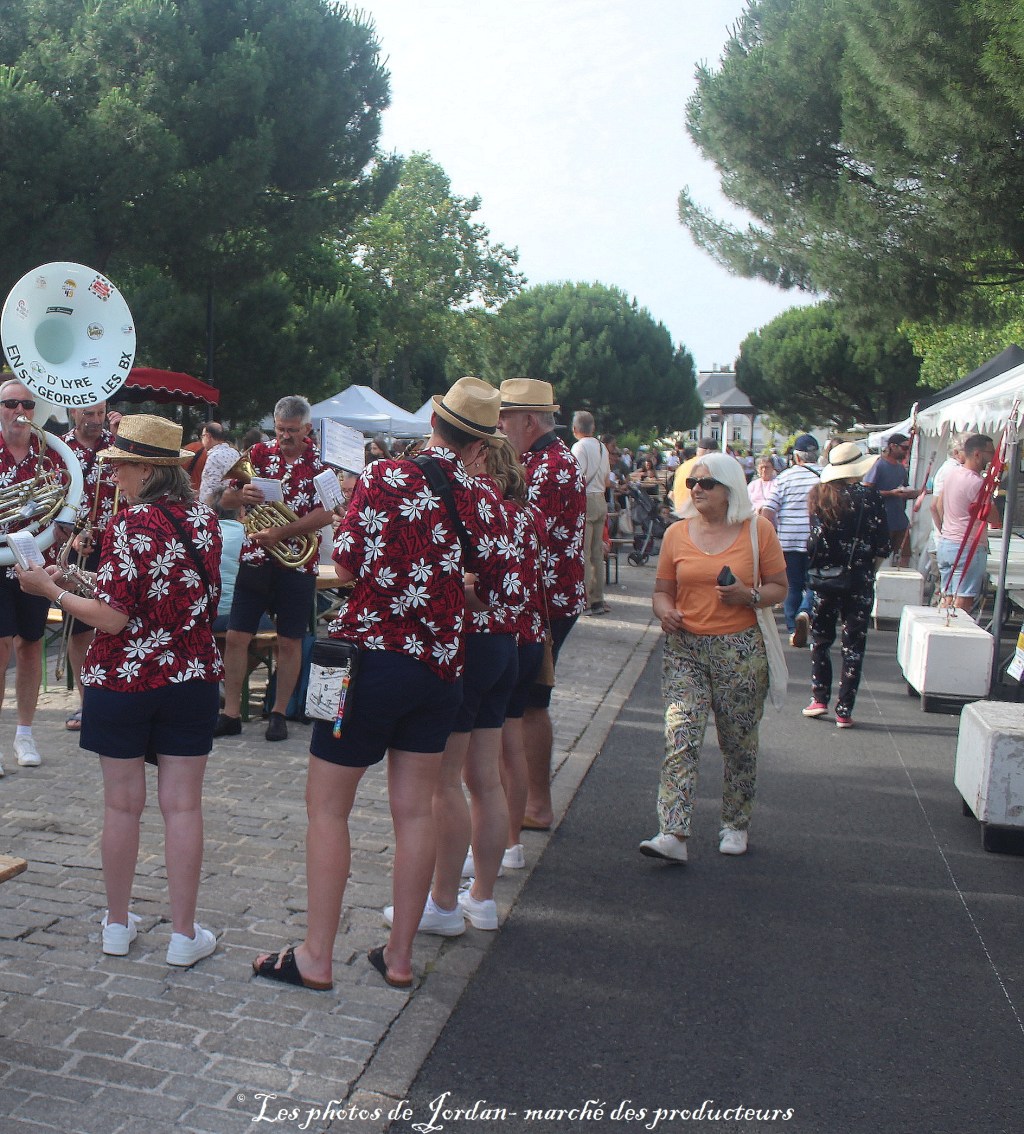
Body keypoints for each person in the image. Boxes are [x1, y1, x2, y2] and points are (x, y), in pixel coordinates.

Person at [251, 377, 515, 990]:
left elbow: (345, 562)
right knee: (416, 812)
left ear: (435, 425)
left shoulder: (386, 475)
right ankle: (398, 958)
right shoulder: (490, 499)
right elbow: (491, 584)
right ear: (480, 445)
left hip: (371, 662)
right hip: (441, 667)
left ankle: (316, 956)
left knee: (328, 810)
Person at [17, 414, 223, 965]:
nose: (114, 476)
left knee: (121, 807)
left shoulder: (130, 524)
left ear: (146, 469)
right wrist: (75, 581)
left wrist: (47, 590)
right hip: (189, 674)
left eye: (122, 466)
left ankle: (115, 924)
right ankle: (183, 934)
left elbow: (111, 619)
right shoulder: (203, 521)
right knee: (182, 808)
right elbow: (154, 596)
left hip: (125, 680)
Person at [403, 436, 531, 937]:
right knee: (485, 779)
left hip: (471, 642)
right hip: (508, 643)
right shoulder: (520, 514)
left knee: (445, 783)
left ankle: (442, 902)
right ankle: (480, 896)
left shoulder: (473, 505)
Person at [640, 453, 787, 862]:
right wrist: (663, 610)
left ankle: (735, 823)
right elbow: (662, 590)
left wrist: (748, 596)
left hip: (739, 649)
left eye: (706, 483)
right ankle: (673, 832)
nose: (697, 490)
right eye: (692, 484)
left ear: (729, 489)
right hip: (685, 647)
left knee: (738, 743)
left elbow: (779, 587)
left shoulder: (758, 530)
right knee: (680, 736)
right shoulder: (676, 534)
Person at [213, 395, 332, 742]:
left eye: (292, 431)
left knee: (290, 641)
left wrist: (281, 532)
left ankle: (278, 712)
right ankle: (230, 713)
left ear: (307, 428)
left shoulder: (321, 464)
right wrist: (242, 497)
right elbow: (226, 498)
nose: (285, 437)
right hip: (254, 560)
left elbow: (326, 513)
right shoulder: (259, 455)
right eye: (280, 429)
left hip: (295, 564)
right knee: (236, 637)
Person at [497, 378, 586, 832]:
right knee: (529, 701)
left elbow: (529, 534)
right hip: (544, 598)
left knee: (528, 702)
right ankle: (531, 802)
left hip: (544, 603)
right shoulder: (541, 459)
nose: (497, 425)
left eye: (504, 417)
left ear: (528, 421)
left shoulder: (549, 466)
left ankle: (535, 804)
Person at [0, 379, 65, 772]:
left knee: (30, 645)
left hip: (36, 563)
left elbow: (65, 501)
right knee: (0, 644)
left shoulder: (50, 455)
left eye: (26, 403)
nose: (19, 410)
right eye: (10, 403)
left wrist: (64, 527)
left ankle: (24, 733)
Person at [802, 443, 890, 728]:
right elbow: (882, 543)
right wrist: (869, 567)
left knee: (821, 639)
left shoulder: (818, 495)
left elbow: (814, 539)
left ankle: (819, 698)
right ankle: (844, 709)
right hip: (859, 578)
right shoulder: (869, 497)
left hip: (825, 578)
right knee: (853, 645)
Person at [60, 401, 119, 733]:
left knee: (117, 621)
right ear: (73, 414)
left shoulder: (117, 447)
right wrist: (73, 537)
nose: (95, 420)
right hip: (76, 548)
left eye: (100, 414)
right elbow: (51, 500)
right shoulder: (58, 449)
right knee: (80, 628)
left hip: (117, 545)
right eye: (88, 414)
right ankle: (86, 702)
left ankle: (114, 694)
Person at [762, 433, 821, 649]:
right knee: (816, 583)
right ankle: (806, 611)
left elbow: (767, 511)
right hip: (818, 540)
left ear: (796, 457)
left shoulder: (784, 478)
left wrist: (769, 538)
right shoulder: (827, 477)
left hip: (788, 540)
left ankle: (793, 629)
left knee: (792, 585)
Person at [931, 434, 996, 610]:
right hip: (966, 546)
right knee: (963, 599)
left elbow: (937, 505)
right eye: (991, 453)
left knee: (948, 595)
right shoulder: (976, 483)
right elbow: (994, 519)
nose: (993, 458)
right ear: (977, 454)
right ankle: (952, 633)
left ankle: (943, 634)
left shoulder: (951, 474)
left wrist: (945, 528)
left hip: (947, 543)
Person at [570, 410, 611, 616]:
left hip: (585, 499)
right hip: (601, 498)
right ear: (592, 428)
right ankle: (598, 599)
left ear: (575, 429)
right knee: (597, 553)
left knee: (583, 553)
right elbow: (606, 478)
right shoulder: (602, 447)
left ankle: (583, 598)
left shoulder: (579, 447)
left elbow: (577, 478)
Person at [863, 433, 924, 567]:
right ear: (892, 446)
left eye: (908, 448)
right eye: (904, 448)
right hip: (882, 520)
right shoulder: (879, 465)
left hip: (900, 520)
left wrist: (918, 493)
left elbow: (904, 491)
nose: (907, 451)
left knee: (905, 554)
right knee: (879, 556)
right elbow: (867, 491)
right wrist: (891, 493)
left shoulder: (901, 468)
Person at [197, 422, 241, 507]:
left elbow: (211, 488)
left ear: (208, 436)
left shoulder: (214, 457)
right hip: (232, 502)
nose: (202, 440)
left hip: (216, 507)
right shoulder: (235, 452)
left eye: (202, 436)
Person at [671, 437, 719, 514]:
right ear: (710, 452)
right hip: (696, 515)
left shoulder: (683, 466)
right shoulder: (709, 466)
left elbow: (671, 494)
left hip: (678, 511)